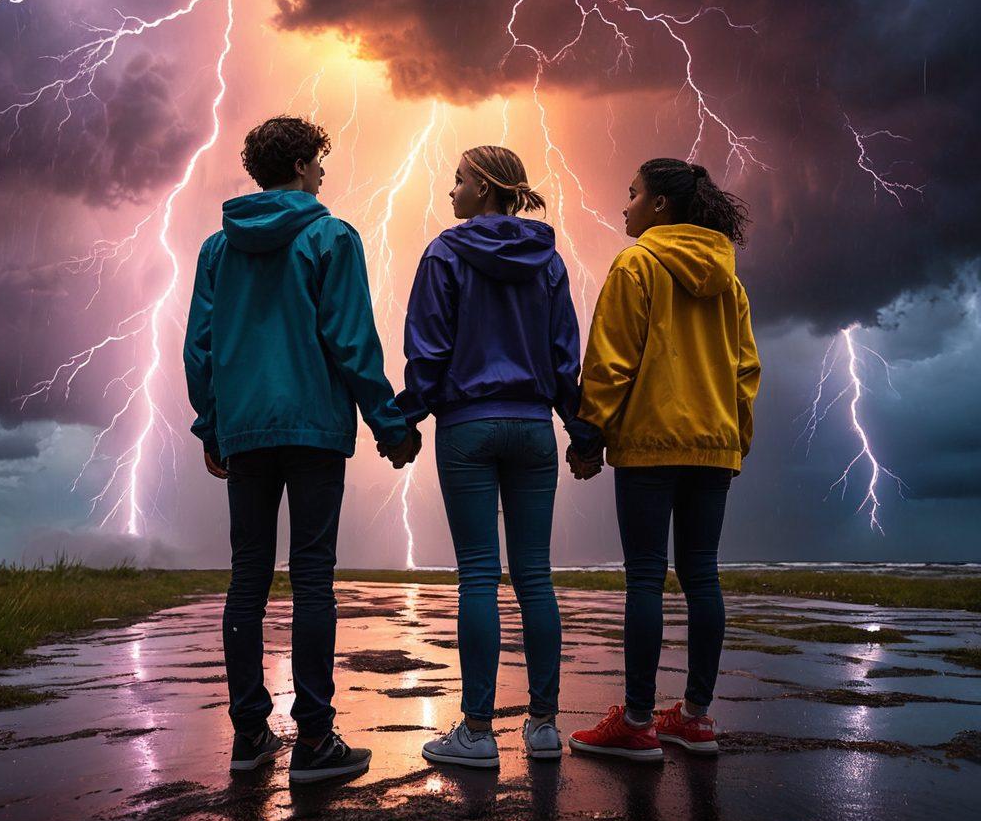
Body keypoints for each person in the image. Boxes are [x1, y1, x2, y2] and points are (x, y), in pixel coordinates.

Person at [183, 115, 420, 783]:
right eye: (318, 159)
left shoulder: (218, 248)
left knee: (247, 578)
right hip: (313, 429)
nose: (322, 171)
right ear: (298, 166)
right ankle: (314, 740)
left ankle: (249, 735)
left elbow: (199, 347)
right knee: (313, 577)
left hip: (246, 433)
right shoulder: (331, 236)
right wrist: (390, 424)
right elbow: (351, 340)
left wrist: (212, 426)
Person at [395, 145, 597, 769]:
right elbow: (564, 355)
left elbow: (428, 350)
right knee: (534, 575)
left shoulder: (443, 254)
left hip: (468, 428)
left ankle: (478, 733)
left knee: (479, 575)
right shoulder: (548, 261)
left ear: (484, 187)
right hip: (534, 428)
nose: (450, 190)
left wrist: (404, 421)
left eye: (457, 180)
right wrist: (581, 431)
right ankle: (544, 728)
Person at [567, 157, 760, 761]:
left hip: (650, 444)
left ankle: (638, 722)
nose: (623, 205)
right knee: (702, 575)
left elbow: (612, 360)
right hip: (713, 446)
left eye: (631, 194)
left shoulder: (637, 264)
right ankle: (696, 719)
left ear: (658, 205)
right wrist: (734, 439)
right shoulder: (729, 282)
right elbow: (746, 370)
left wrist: (589, 434)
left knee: (646, 577)